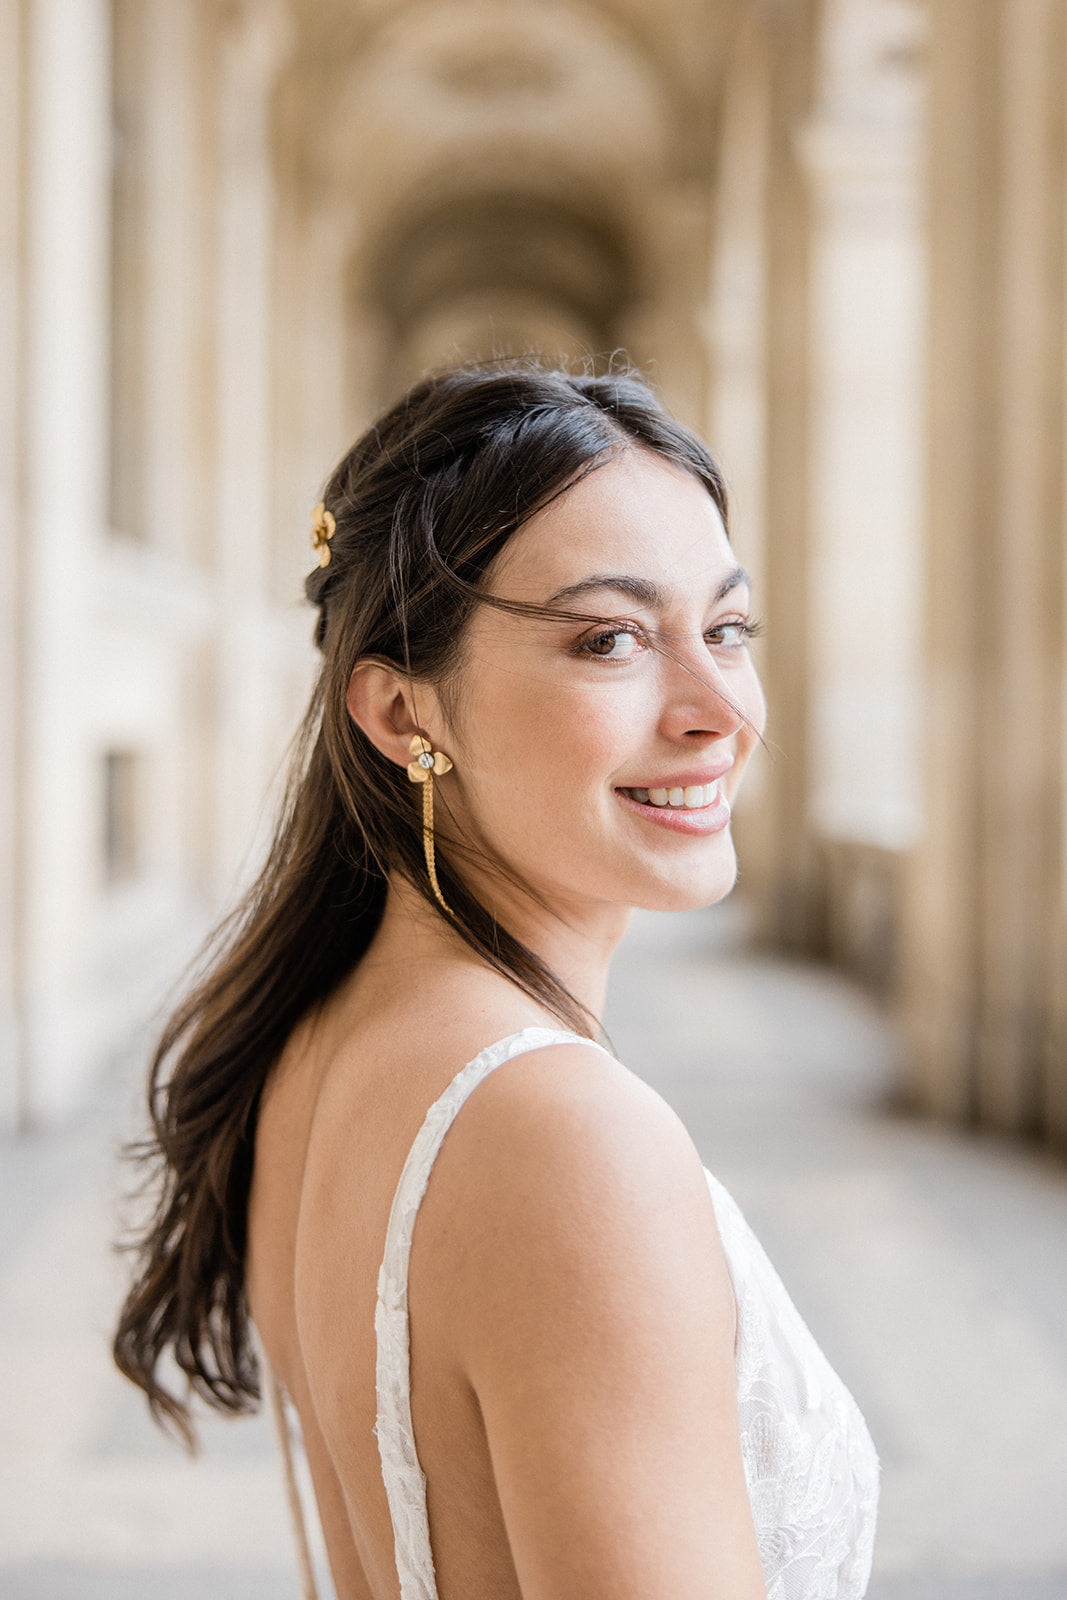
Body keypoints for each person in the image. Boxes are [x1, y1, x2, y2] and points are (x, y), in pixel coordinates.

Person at [114, 361, 879, 1600]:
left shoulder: (310, 1041)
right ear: (405, 712)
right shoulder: (564, 1138)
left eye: (725, 628)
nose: (717, 712)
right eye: (609, 637)